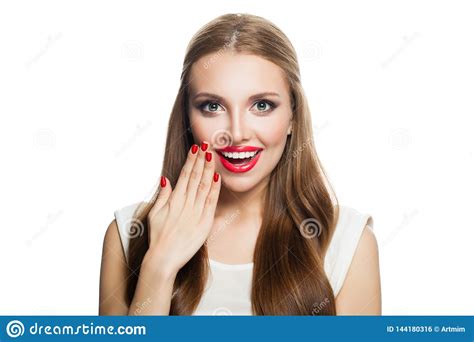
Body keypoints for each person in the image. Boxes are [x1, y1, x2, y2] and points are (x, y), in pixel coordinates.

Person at [99, 13, 381, 315]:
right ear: (187, 117)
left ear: (293, 117)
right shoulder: (127, 234)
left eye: (262, 106)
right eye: (212, 106)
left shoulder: (348, 242)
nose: (236, 134)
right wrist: (159, 265)